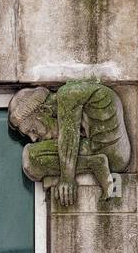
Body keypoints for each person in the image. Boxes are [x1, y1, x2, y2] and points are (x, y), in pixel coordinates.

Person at [8, 79, 131, 207]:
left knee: (30, 157)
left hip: (111, 153)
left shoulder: (67, 94)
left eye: (32, 130)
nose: (33, 138)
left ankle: (93, 163)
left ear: (44, 111)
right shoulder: (74, 97)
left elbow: (69, 137)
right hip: (115, 156)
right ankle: (93, 163)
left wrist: (67, 178)